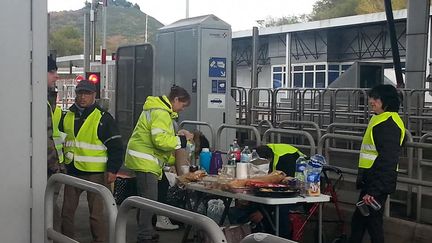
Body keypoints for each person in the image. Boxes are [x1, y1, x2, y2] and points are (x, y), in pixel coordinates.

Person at [124, 86, 193, 243]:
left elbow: (158, 141)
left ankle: (146, 229)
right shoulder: (161, 113)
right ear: (175, 100)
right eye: (183, 105)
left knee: (145, 199)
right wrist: (182, 140)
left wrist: (170, 160)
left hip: (144, 159)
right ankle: (144, 236)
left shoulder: (158, 110)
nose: (182, 109)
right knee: (149, 200)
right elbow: (160, 141)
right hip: (145, 161)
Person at [59, 80, 124, 243]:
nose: (82, 97)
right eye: (80, 93)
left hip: (96, 173)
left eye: (87, 94)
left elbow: (116, 146)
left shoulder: (103, 118)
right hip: (72, 171)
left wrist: (112, 170)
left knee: (96, 215)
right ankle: (65, 240)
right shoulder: (68, 116)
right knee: (66, 212)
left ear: (94, 95)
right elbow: (61, 140)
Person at [349, 84, 405, 243]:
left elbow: (387, 159)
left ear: (386, 101)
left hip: (376, 183)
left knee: (371, 224)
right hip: (373, 180)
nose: (371, 101)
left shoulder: (387, 123)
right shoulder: (380, 118)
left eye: (376, 98)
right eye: (371, 97)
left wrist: (373, 191)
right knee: (361, 223)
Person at [229, 143, 304, 240]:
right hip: (279, 192)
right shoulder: (263, 152)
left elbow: (285, 191)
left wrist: (263, 212)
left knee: (280, 210)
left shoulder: (285, 160)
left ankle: (281, 239)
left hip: (295, 193)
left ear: (269, 160)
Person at [47, 55, 65, 232]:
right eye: (52, 72)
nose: (56, 76)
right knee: (49, 210)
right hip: (49, 167)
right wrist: (55, 165)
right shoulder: (41, 102)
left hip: (52, 165)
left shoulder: (47, 100)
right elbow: (46, 137)